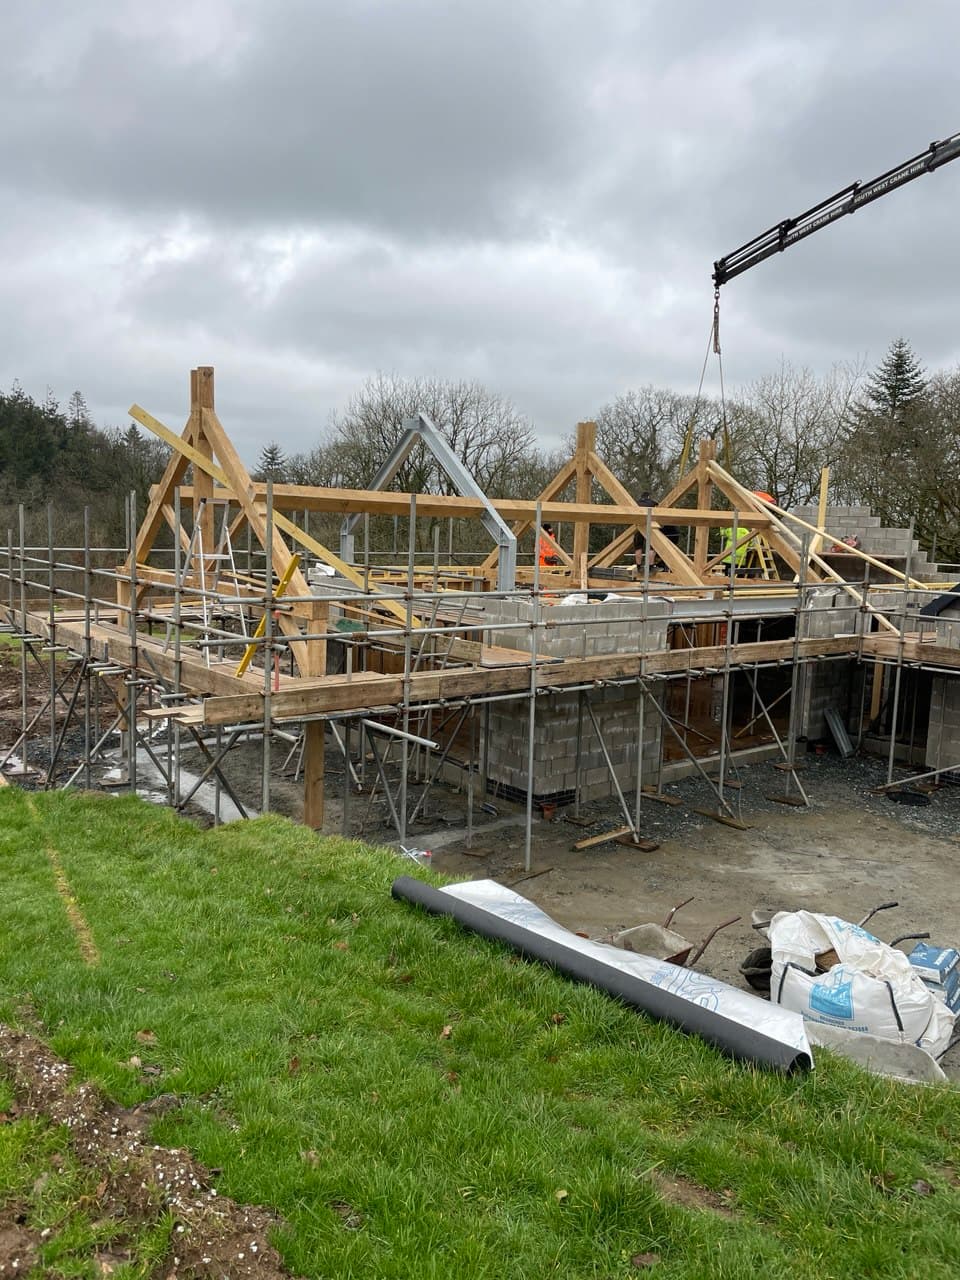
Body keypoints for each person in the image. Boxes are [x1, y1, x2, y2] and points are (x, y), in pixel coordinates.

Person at [633, 492, 680, 574]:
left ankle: (639, 567)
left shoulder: (636, 503)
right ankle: (650, 567)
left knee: (638, 548)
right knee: (652, 548)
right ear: (648, 496)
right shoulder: (652, 503)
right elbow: (660, 507)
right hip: (650, 527)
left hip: (639, 527)